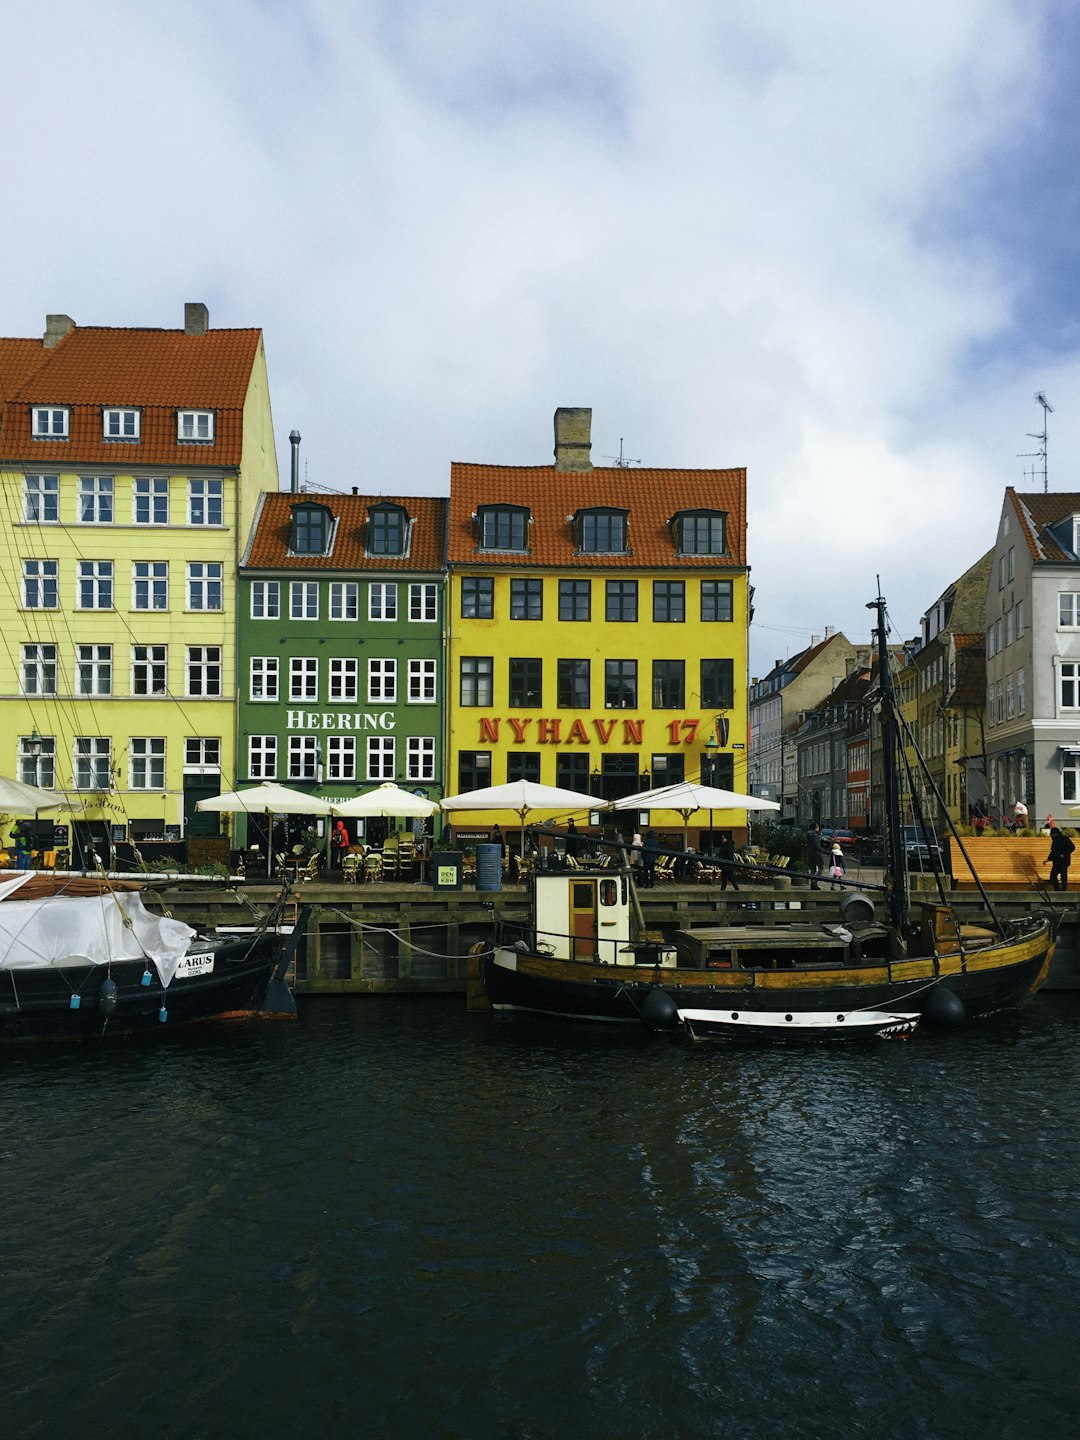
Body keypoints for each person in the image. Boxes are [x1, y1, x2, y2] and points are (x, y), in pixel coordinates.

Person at [1047, 825, 1075, 892]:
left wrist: (1064, 854)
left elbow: (1071, 847)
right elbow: (1053, 852)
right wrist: (1048, 859)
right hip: (1057, 862)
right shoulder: (1055, 840)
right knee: (1054, 876)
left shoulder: (1064, 839)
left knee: (1062, 877)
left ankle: (1062, 891)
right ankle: (1058, 890)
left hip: (1063, 862)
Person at [804, 822, 828, 890]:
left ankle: (813, 885)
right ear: (815, 828)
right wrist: (826, 852)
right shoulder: (815, 835)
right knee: (822, 867)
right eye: (817, 826)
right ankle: (814, 881)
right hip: (816, 855)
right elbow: (817, 847)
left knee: (812, 870)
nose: (818, 828)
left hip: (809, 854)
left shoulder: (807, 834)